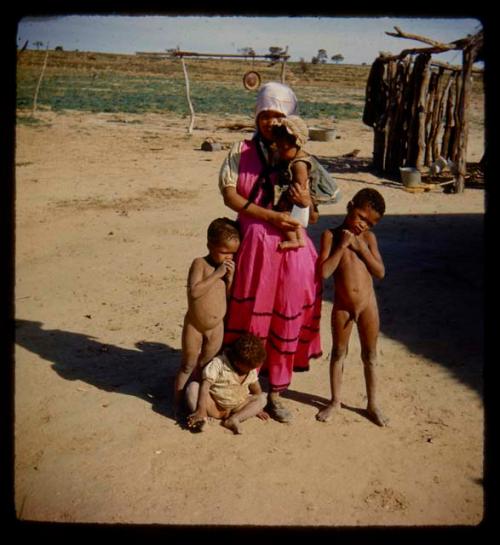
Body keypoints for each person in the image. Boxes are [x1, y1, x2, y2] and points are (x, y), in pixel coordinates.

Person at [219, 81, 322, 423]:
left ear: (288, 118)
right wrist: (270, 216)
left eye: (276, 115)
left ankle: (276, 391)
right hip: (254, 244)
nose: (269, 122)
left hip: (291, 250)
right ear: (256, 115)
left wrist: (306, 202)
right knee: (249, 317)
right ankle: (246, 389)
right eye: (264, 114)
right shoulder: (240, 150)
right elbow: (231, 197)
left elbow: (314, 212)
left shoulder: (299, 156)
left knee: (286, 310)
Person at [315, 188, 388, 427]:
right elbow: (324, 272)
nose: (363, 225)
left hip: (368, 305)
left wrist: (361, 248)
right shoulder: (330, 235)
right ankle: (335, 401)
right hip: (343, 306)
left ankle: (373, 404)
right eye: (360, 216)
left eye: (369, 223)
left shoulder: (368, 240)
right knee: (338, 352)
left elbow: (380, 272)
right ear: (350, 206)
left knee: (370, 355)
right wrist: (343, 246)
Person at [173, 217, 240, 418]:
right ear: (210, 245)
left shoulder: (225, 269)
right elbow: (194, 292)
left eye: (232, 254)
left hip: (216, 327)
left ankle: (200, 405)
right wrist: (217, 275)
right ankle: (176, 404)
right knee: (188, 365)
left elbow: (227, 296)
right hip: (195, 325)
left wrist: (229, 279)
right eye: (224, 252)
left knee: (207, 368)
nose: (228, 257)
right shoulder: (200, 264)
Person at [185, 333, 268, 434]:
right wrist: (201, 409)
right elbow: (205, 385)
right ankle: (202, 418)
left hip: (237, 407)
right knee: (193, 387)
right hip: (215, 406)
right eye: (250, 368)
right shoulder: (219, 363)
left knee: (262, 398)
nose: (253, 370)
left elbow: (256, 389)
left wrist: (258, 409)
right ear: (238, 363)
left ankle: (233, 419)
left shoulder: (250, 368)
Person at [271, 115, 319, 250]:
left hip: (296, 198)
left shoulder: (299, 165)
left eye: (283, 149)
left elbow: (301, 187)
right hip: (294, 198)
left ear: (297, 143)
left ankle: (296, 240)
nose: (280, 152)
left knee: (287, 219)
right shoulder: (292, 157)